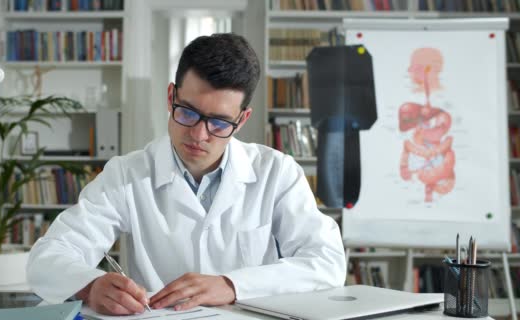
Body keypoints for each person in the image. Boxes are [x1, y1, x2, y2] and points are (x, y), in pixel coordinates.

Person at [26, 33, 346, 316]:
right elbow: (48, 257)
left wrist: (232, 284)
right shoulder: (127, 174)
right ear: (170, 97)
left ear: (242, 119)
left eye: (219, 122)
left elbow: (327, 262)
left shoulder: (276, 172)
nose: (199, 134)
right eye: (188, 112)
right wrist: (90, 285)